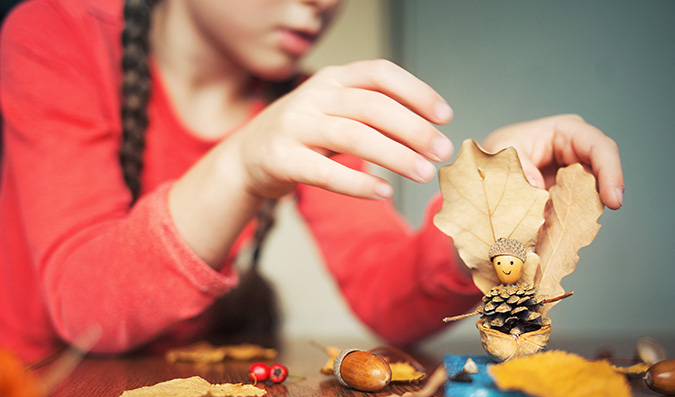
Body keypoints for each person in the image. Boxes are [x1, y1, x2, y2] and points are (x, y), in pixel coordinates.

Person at [0, 0, 623, 364]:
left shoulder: (303, 103)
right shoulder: (55, 34)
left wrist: (495, 211)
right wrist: (241, 164)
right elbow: (84, 308)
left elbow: (388, 296)